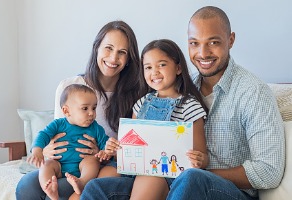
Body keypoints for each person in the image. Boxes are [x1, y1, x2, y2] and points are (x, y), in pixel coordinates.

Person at [80, 6, 285, 200]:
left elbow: (269, 171)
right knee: (98, 188)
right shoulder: (183, 87)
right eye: (194, 43)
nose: (203, 53)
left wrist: (189, 171)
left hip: (227, 191)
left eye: (213, 42)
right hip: (169, 180)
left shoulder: (253, 92)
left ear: (230, 40)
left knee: (190, 178)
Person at [16, 20, 145, 200]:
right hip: (66, 160)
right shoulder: (70, 87)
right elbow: (58, 129)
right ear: (97, 48)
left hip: (104, 164)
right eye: (108, 48)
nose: (114, 58)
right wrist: (44, 150)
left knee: (61, 189)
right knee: (26, 187)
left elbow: (135, 145)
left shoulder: (136, 93)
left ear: (129, 59)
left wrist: (104, 152)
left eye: (122, 52)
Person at [87, 39, 209, 200]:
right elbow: (128, 148)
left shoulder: (189, 106)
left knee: (149, 179)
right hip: (135, 170)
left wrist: (199, 160)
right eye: (148, 67)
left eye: (162, 65)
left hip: (167, 176)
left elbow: (203, 157)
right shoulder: (141, 103)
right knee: (95, 185)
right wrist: (114, 149)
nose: (155, 72)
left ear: (178, 68)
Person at [28, 84, 109, 200]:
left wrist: (104, 152)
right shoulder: (58, 124)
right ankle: (50, 189)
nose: (91, 113)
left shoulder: (96, 128)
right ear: (66, 111)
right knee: (47, 165)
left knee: (92, 161)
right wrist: (37, 151)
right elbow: (43, 134)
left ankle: (82, 183)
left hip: (83, 167)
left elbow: (105, 144)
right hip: (59, 167)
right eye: (85, 108)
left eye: (94, 108)